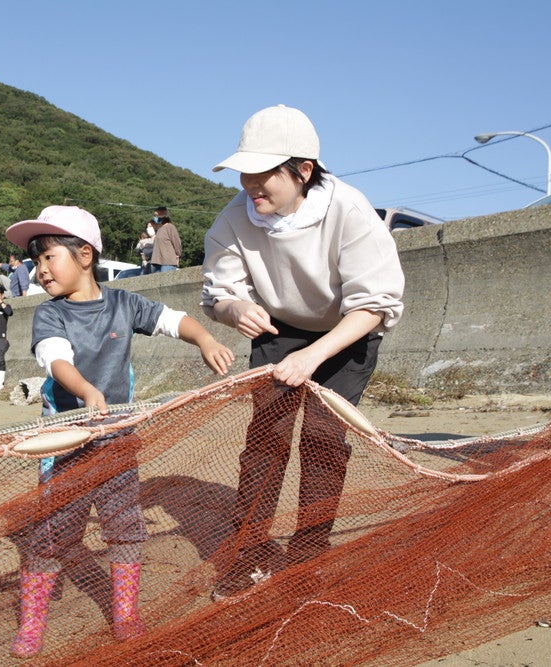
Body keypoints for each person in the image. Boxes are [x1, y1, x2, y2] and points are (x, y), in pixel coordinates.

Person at [2, 205, 235, 657]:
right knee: (52, 533)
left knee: (125, 528)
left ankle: (126, 613)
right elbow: (55, 360)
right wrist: (87, 391)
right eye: (36, 262)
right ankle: (32, 622)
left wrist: (205, 339)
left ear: (85, 255)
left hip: (118, 438)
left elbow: (173, 320)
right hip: (65, 440)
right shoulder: (50, 315)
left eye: (49, 257)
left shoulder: (126, 303)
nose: (41, 270)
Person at [201, 105, 405, 599]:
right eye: (245, 172)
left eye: (264, 172)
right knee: (267, 434)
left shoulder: (348, 210)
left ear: (303, 171)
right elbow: (216, 295)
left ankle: (307, 557)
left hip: (347, 330)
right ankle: (246, 552)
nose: (251, 183)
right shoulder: (233, 219)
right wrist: (233, 310)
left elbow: (375, 306)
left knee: (322, 435)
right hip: (279, 327)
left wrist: (313, 357)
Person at [148, 206, 181, 273]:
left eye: (156, 215)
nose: (155, 217)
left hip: (167, 263)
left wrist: (178, 255)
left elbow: (177, 243)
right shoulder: (159, 229)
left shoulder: (170, 227)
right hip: (155, 262)